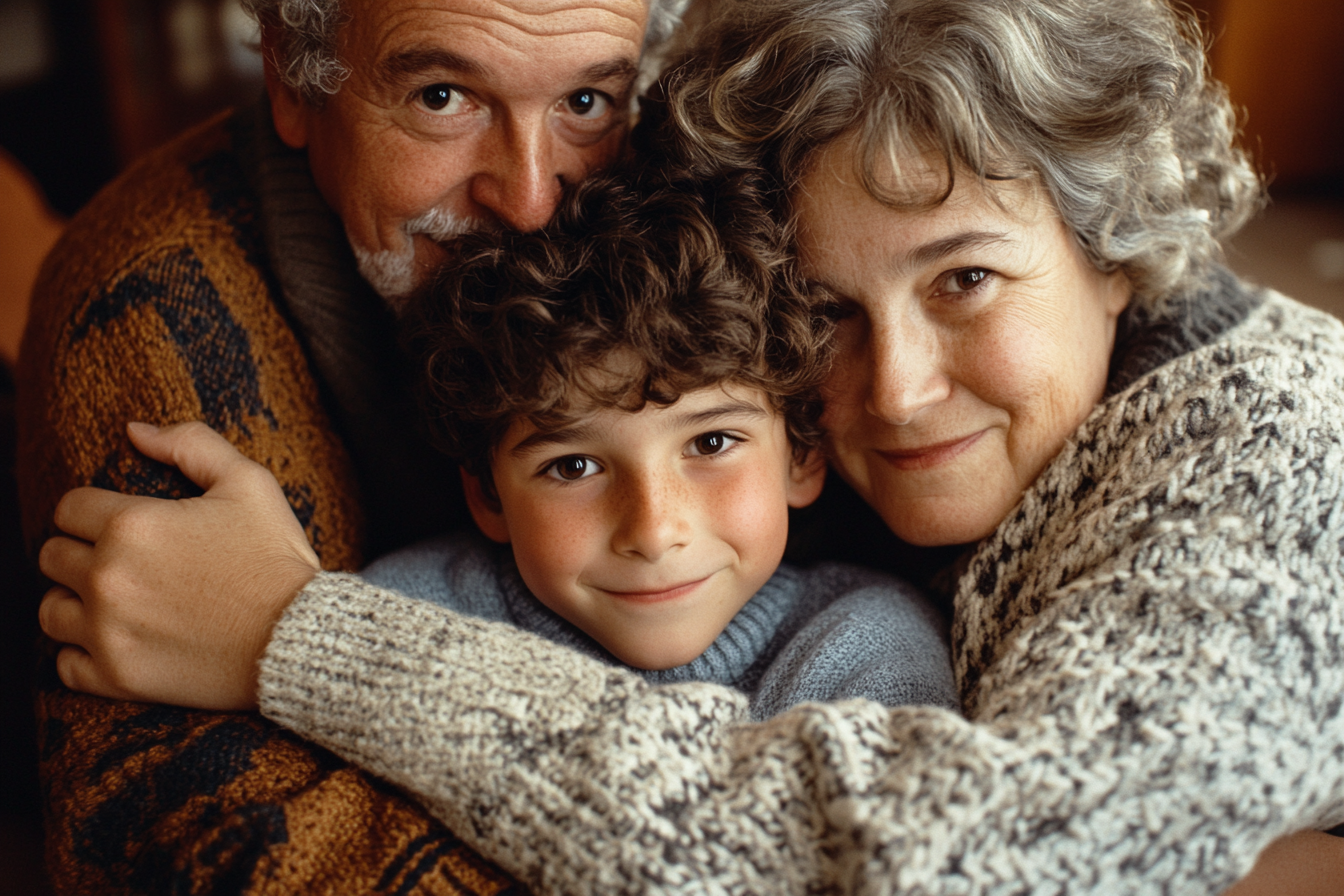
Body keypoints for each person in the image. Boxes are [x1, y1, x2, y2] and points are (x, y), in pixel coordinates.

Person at [34, 0, 1344, 893]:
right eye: (826, 310)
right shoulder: (168, 292)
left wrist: (308, 639)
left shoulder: (1269, 465)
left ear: (1120, 257)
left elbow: (958, 866)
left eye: (964, 284)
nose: (891, 391)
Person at [15, 0, 695, 891]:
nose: (531, 203)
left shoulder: (680, 210)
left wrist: (292, 636)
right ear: (294, 82)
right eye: (443, 96)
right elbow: (219, 861)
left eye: (586, 103)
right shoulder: (144, 305)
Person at [233, 167, 959, 716]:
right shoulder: (400, 619)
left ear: (802, 454)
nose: (653, 529)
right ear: (487, 493)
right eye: (572, 464)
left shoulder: (868, 648)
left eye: (710, 443)